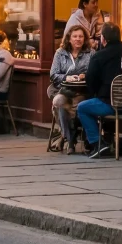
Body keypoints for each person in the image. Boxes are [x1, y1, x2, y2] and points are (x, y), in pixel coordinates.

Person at [75, 24, 122, 158]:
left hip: (109, 104)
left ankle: (97, 144)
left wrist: (96, 93)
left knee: (82, 108)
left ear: (103, 39)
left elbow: (91, 81)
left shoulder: (98, 56)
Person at [48, 24, 93, 152]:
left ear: (84, 39)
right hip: (65, 89)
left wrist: (85, 76)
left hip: (82, 91)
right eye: (75, 36)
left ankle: (69, 139)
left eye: (81, 36)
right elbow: (53, 74)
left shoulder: (90, 53)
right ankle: (70, 134)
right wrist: (66, 78)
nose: (78, 39)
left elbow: (94, 74)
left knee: (75, 105)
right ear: (69, 38)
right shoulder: (60, 53)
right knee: (58, 102)